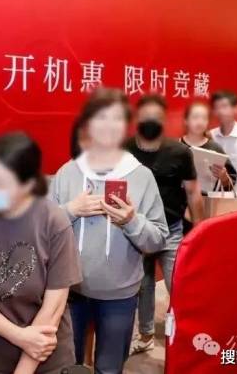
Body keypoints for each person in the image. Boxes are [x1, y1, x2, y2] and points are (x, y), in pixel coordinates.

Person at [49, 88, 169, 374]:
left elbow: (158, 238)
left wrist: (132, 221)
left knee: (110, 368)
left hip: (120, 295)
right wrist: (70, 210)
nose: (108, 126)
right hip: (69, 291)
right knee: (67, 366)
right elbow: (42, 230)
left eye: (116, 118)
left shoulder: (141, 176)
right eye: (101, 118)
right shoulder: (67, 172)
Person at [0, 133, 81, 374]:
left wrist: (23, 369)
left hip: (45, 359)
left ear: (27, 185)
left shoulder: (53, 221)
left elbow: (53, 307)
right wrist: (20, 336)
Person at [123, 94, 202, 355]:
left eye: (156, 116)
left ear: (164, 119)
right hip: (137, 232)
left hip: (171, 230)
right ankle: (146, 335)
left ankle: (186, 339)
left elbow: (193, 192)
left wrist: (199, 231)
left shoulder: (180, 152)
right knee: (143, 287)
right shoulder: (123, 151)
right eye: (146, 115)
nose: (150, 120)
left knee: (179, 287)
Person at [179, 101, 237, 230]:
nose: (199, 122)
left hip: (208, 209)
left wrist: (223, 177)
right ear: (186, 121)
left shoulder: (215, 148)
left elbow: (230, 182)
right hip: (180, 210)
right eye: (195, 117)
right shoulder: (177, 147)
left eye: (203, 118)